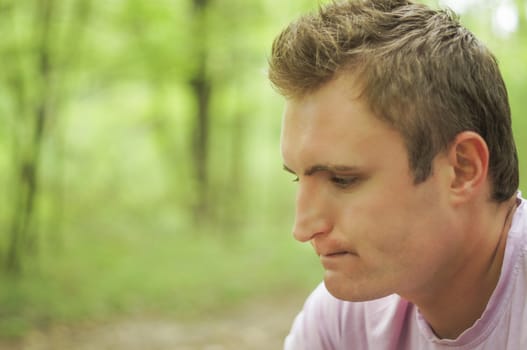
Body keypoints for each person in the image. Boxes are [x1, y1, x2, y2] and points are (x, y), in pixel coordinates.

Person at [268, 0, 526, 349]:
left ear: (462, 169)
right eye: (299, 178)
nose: (303, 228)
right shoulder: (346, 320)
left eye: (343, 179)